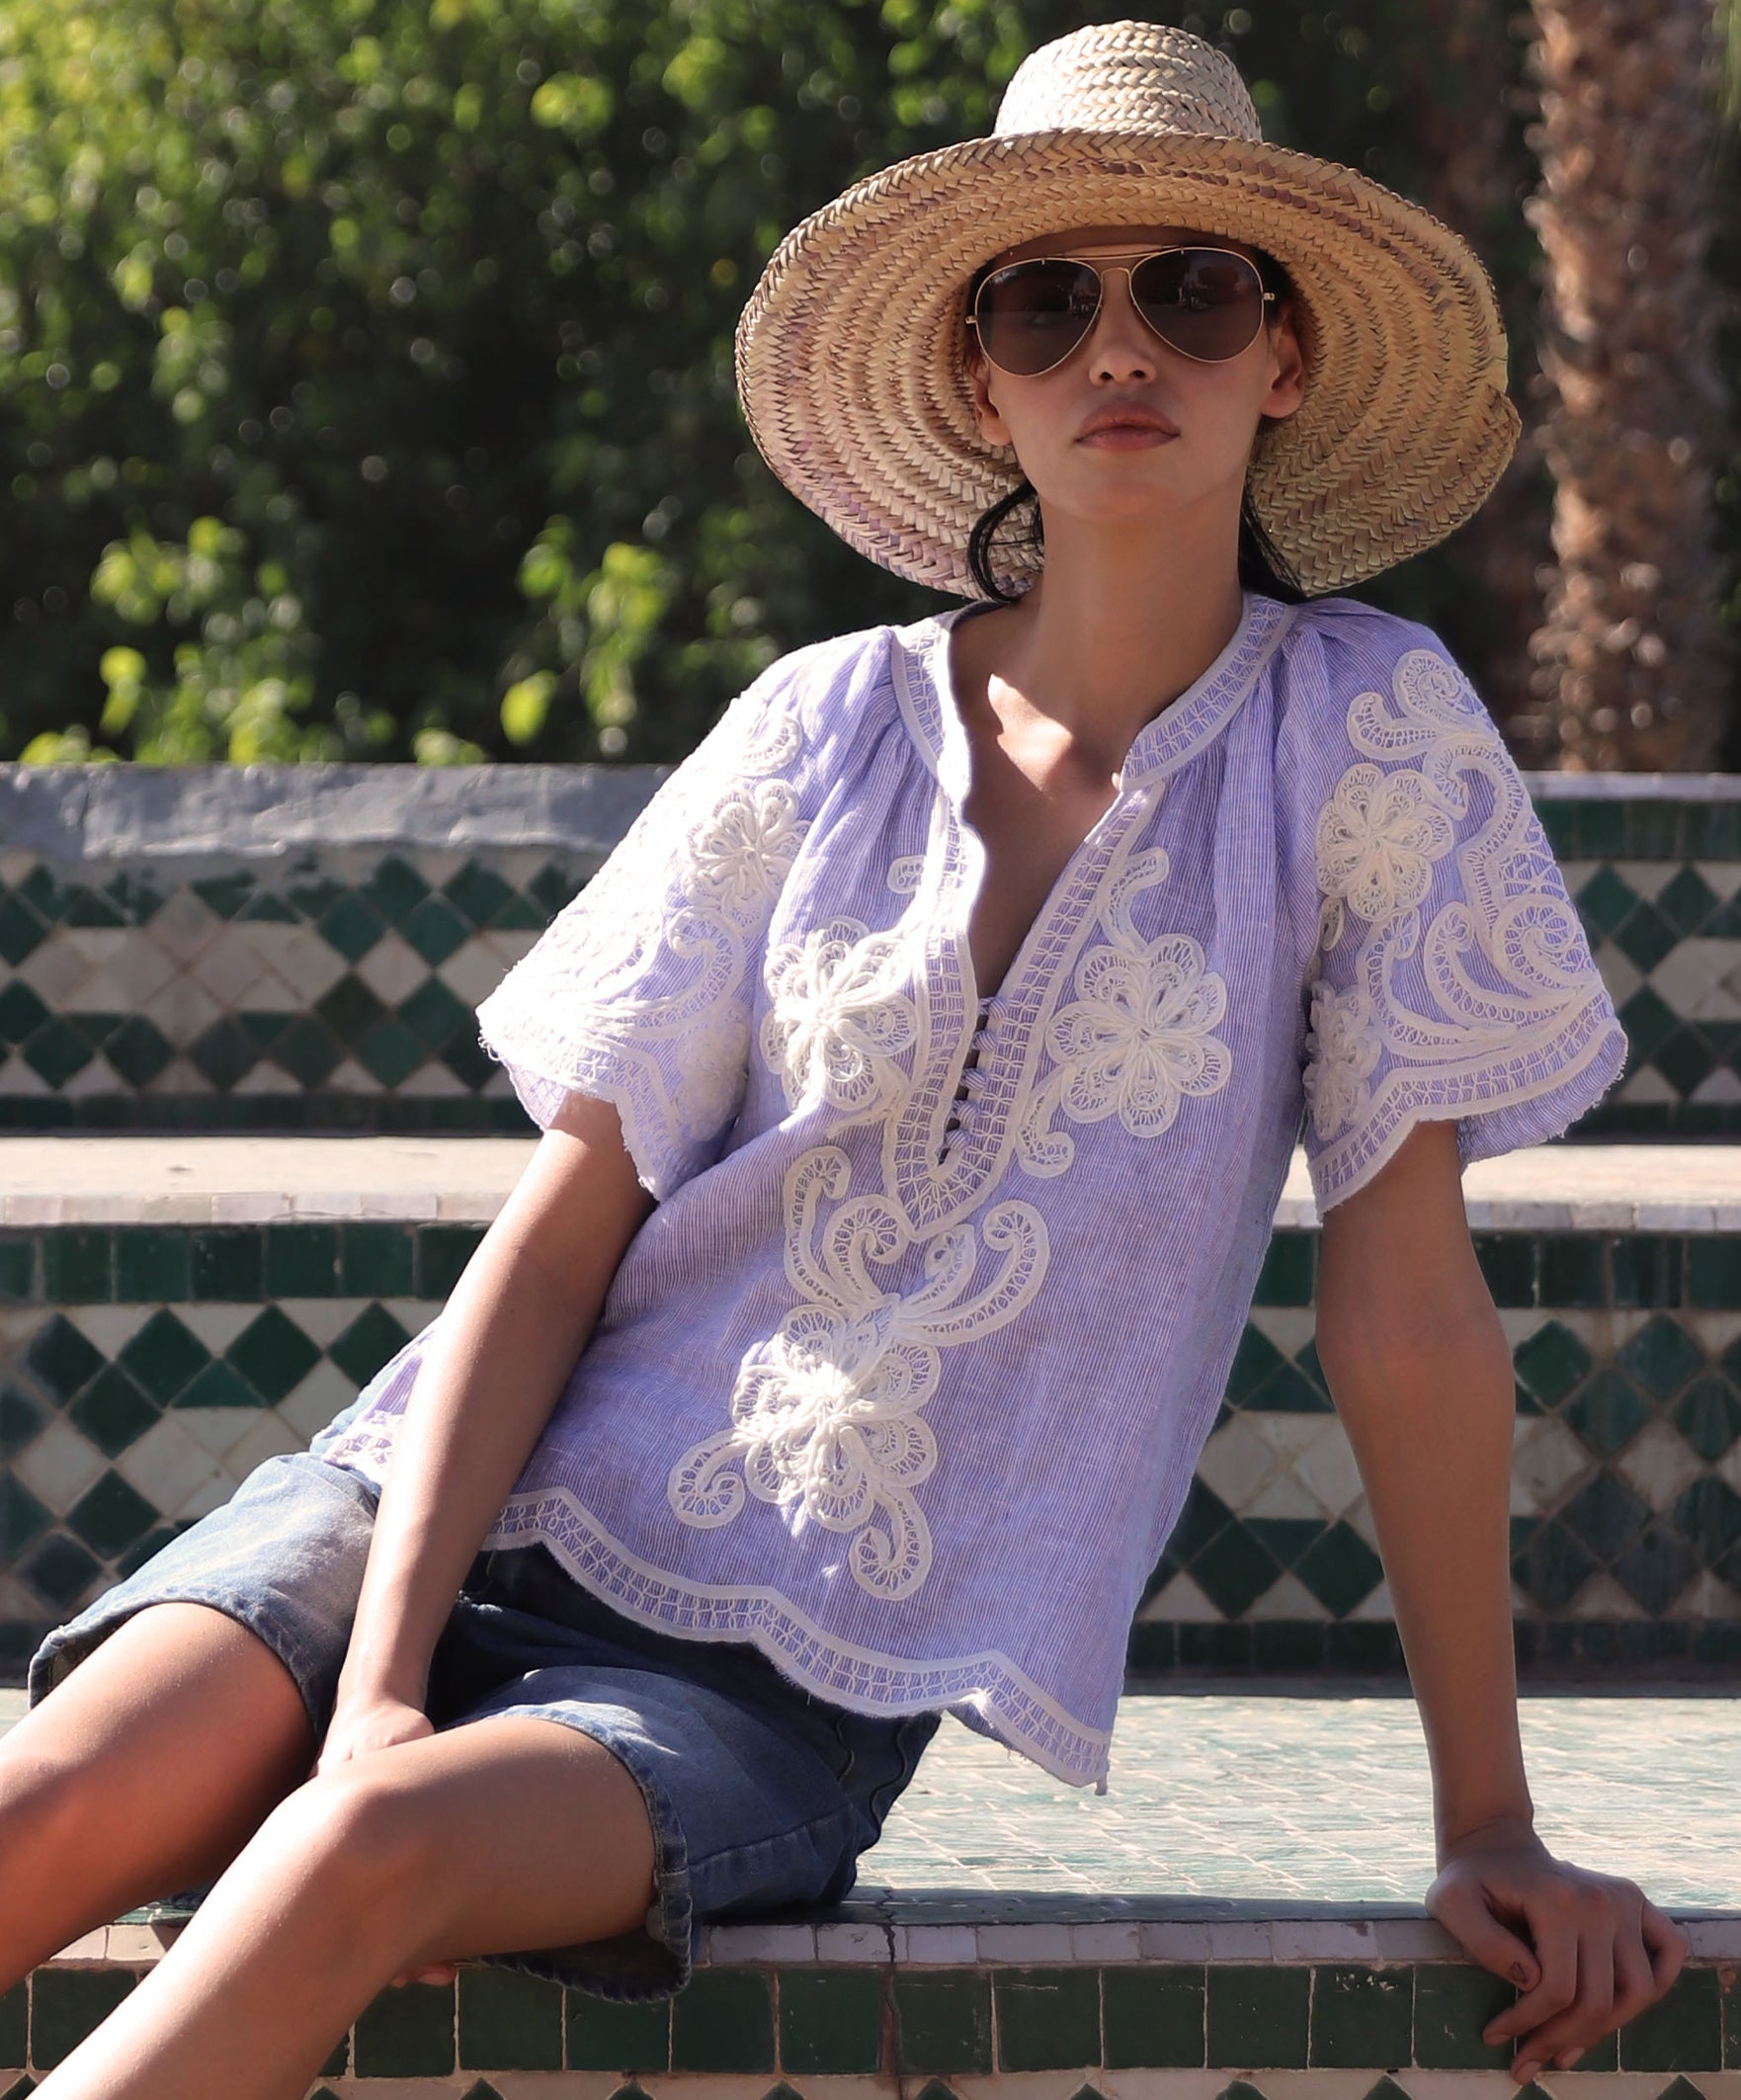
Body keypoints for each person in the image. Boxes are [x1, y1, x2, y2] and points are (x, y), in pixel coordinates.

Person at [8, 20, 1687, 2099]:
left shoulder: (1366, 733)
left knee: (360, 1848)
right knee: (32, 1820)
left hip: (773, 1688)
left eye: (1190, 287)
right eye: (1042, 300)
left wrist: (1483, 1820)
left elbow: (1406, 1312)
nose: (1115, 348)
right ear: (980, 380)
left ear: (1286, 355)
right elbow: (567, 1225)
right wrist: (374, 1672)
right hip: (418, 1522)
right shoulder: (818, 726)